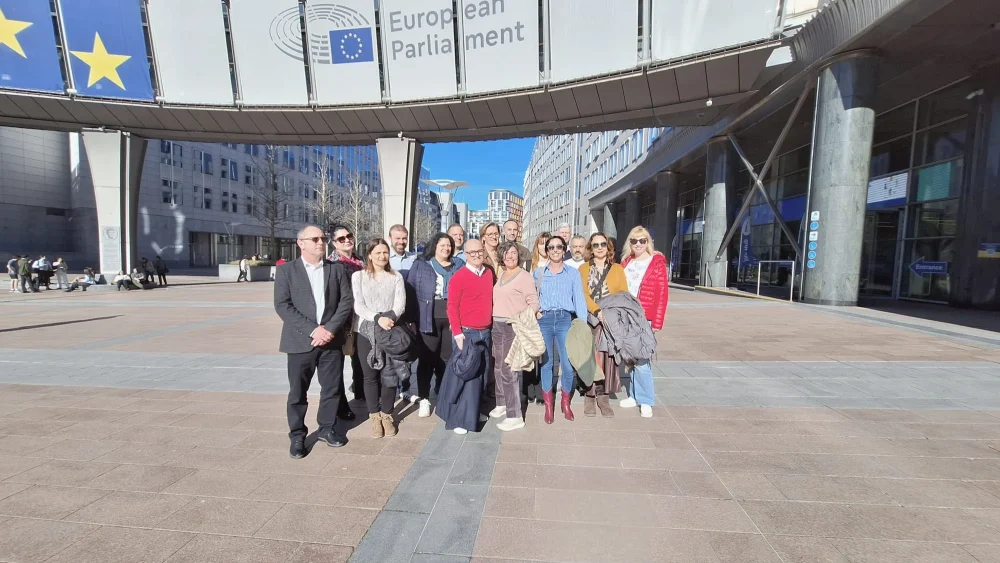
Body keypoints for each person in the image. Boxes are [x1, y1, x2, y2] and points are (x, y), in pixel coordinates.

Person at [274, 225, 354, 458]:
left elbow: (346, 301)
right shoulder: (286, 271)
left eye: (323, 238)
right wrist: (313, 330)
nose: (321, 242)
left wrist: (329, 329)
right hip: (300, 341)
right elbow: (282, 305)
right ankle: (297, 435)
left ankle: (327, 428)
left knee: (331, 388)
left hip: (330, 340)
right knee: (298, 392)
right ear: (301, 243)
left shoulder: (336, 269)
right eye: (315, 239)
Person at [352, 238, 407, 438]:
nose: (382, 256)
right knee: (370, 376)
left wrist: (388, 318)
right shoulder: (359, 276)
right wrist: (377, 318)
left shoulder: (396, 277)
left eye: (385, 252)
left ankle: (387, 414)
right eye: (378, 253)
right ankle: (374, 416)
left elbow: (400, 305)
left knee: (389, 375)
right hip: (365, 331)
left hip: (390, 330)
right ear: (369, 255)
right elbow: (358, 305)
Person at [442, 239, 495, 434]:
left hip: (485, 331)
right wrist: (457, 333)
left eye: (479, 251)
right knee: (465, 375)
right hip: (467, 332)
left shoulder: (489, 273)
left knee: (481, 374)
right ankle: (459, 419)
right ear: (465, 255)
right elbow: (451, 306)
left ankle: (472, 412)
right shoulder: (459, 277)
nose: (477, 255)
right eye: (472, 253)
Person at [534, 235, 588, 424]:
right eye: (551, 247)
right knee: (547, 363)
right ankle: (549, 406)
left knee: (567, 363)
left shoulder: (573, 273)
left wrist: (582, 325)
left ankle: (565, 403)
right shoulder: (539, 273)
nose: (555, 250)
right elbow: (532, 296)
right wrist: (536, 311)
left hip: (565, 319)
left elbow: (579, 299)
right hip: (545, 320)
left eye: (559, 247)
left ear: (564, 250)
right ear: (547, 251)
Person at [406, 233, 461, 418]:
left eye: (449, 245)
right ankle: (424, 398)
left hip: (451, 318)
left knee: (446, 359)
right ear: (434, 246)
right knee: (427, 359)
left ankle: (444, 394)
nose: (446, 248)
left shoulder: (458, 265)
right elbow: (410, 290)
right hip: (427, 317)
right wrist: (411, 318)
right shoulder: (422, 264)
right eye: (442, 245)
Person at [620, 226, 669, 418]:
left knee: (642, 359)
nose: (638, 244)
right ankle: (634, 395)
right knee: (631, 357)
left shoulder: (656, 262)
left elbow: (662, 294)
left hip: (644, 317)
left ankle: (646, 399)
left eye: (642, 240)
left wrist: (657, 322)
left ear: (648, 242)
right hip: (626, 316)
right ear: (629, 243)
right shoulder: (626, 262)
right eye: (634, 240)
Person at [491, 241, 539, 431]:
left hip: (512, 327)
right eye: (506, 253)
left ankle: (515, 415)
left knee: (508, 370)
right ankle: (502, 402)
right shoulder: (502, 274)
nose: (510, 256)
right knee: (498, 367)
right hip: (497, 325)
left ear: (518, 255)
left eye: (513, 253)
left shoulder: (524, 277)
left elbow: (533, 303)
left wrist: (521, 320)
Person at [578, 233, 625, 418]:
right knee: (590, 356)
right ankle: (589, 394)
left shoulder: (617, 269)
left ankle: (603, 396)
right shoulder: (583, 269)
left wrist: (612, 314)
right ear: (590, 248)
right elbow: (582, 293)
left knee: (607, 358)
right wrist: (597, 311)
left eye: (603, 244)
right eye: (595, 245)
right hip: (591, 317)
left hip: (610, 318)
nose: (599, 248)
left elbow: (623, 293)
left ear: (608, 247)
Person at [328, 224, 366, 404]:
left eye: (349, 236)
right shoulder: (331, 264)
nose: (347, 240)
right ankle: (341, 404)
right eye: (341, 239)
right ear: (334, 243)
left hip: (360, 319)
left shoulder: (361, 261)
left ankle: (360, 392)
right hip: (341, 320)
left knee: (360, 358)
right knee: (337, 364)